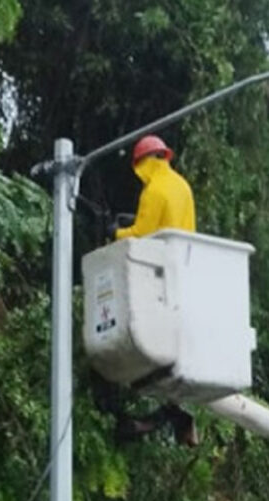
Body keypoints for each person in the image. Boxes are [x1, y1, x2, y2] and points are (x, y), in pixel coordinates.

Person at [110, 135, 200, 447]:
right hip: (183, 268)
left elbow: (141, 232)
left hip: (158, 270)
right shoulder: (182, 186)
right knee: (171, 342)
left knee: (150, 339)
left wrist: (116, 232)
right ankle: (176, 414)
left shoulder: (154, 190)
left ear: (141, 164)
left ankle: (171, 410)